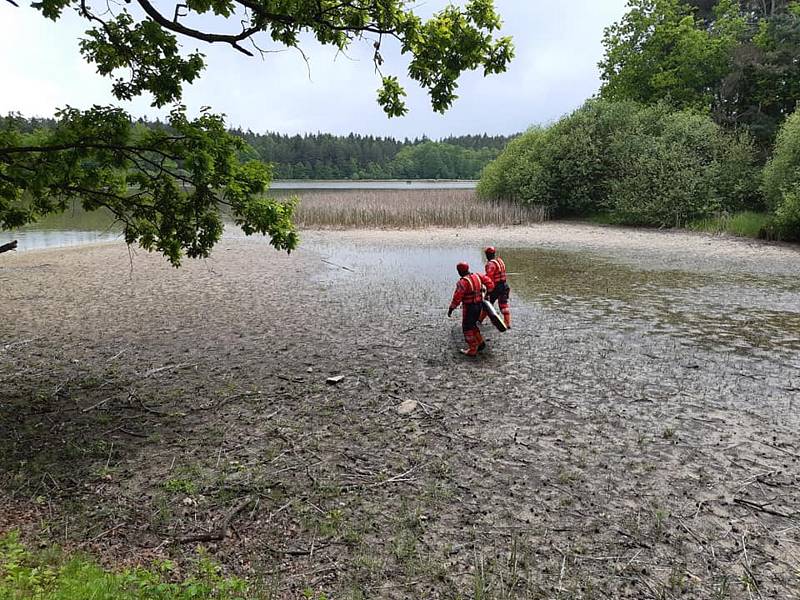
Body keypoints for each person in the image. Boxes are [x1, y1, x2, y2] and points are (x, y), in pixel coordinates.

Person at [448, 262, 494, 356]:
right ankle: (480, 343)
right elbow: (490, 284)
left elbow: (457, 297)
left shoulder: (463, 282)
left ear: (459, 271)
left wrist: (451, 308)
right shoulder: (478, 276)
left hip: (469, 307)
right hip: (479, 305)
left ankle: (472, 348)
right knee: (473, 325)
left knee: (467, 327)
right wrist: (487, 293)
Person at [483, 246, 511, 330]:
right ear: (494, 254)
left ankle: (480, 320)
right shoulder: (500, 261)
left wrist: (488, 291)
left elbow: (489, 279)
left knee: (487, 304)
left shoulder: (490, 264)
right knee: (503, 304)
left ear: (487, 255)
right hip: (505, 286)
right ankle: (507, 323)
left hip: (496, 287)